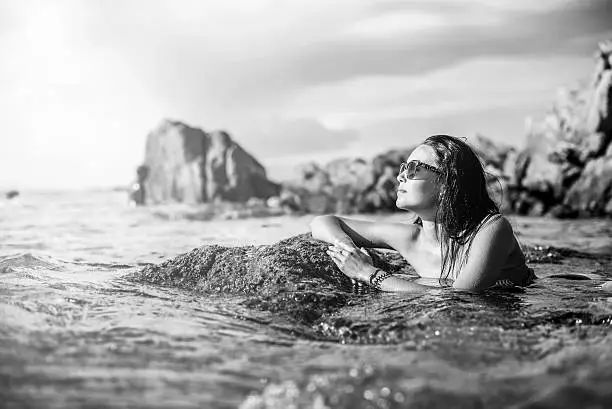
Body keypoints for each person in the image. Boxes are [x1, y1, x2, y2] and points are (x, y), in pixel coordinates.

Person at [310, 134, 535, 293]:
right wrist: (346, 246)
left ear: (447, 183)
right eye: (402, 168)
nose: (400, 177)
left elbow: (460, 300)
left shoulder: (491, 229)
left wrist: (368, 273)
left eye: (413, 168)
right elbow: (323, 222)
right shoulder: (411, 238)